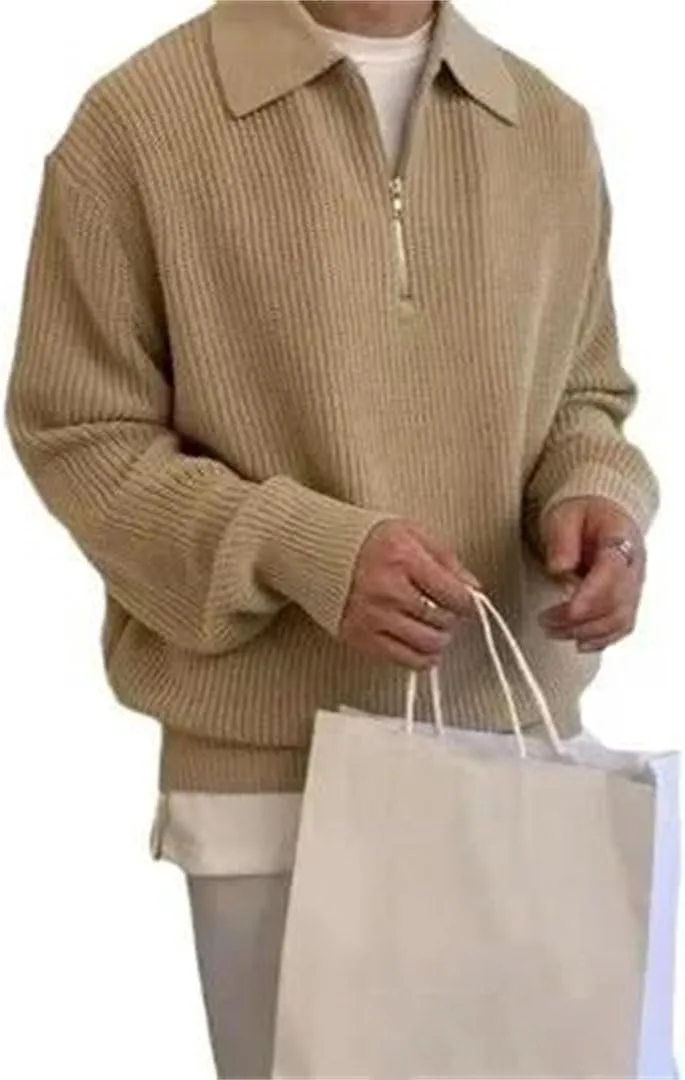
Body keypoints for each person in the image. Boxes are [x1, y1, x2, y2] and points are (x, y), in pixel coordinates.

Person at [5, 1, 659, 1076]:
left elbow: (582, 395)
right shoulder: (139, 124)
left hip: (520, 764)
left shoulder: (546, 123)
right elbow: (79, 433)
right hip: (274, 787)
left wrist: (598, 503)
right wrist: (301, 549)